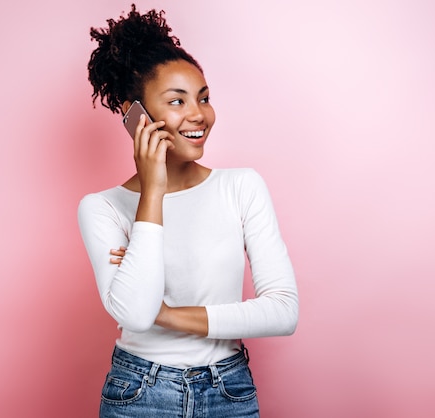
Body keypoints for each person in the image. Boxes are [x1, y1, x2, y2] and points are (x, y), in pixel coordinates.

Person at [77, 5, 298, 417]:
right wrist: (153, 191)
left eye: (204, 98)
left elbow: (283, 311)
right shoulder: (102, 208)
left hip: (228, 390)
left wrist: (166, 314)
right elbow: (135, 315)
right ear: (134, 115)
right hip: (140, 392)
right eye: (176, 101)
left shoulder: (241, 186)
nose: (198, 115)